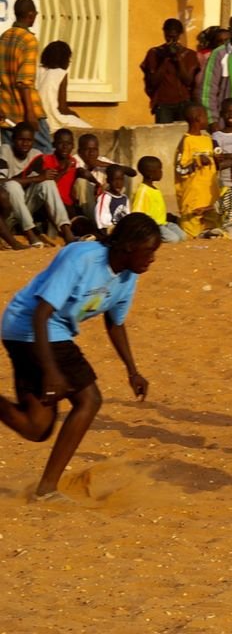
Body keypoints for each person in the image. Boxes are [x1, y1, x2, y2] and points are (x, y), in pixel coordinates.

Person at [0, 212, 159, 500]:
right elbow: (41, 314)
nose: (152, 259)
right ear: (127, 247)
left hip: (35, 331)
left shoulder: (127, 278)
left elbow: (115, 322)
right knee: (89, 399)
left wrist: (132, 371)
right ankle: (47, 489)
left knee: (36, 428)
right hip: (32, 327)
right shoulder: (83, 258)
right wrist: (51, 372)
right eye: (149, 251)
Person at [23, 127, 98, 242]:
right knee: (69, 213)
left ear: (73, 146)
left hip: (67, 205)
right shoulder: (43, 160)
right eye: (60, 143)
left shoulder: (74, 162)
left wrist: (96, 183)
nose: (64, 147)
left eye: (68, 144)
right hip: (43, 207)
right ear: (53, 144)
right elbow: (41, 188)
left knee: (79, 215)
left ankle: (98, 234)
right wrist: (63, 171)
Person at [0, 0, 51, 153]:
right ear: (31, 15)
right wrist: (30, 114)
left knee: (12, 156)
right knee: (46, 153)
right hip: (25, 110)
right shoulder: (29, 40)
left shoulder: (4, 37)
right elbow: (24, 82)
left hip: (6, 111)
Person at [140, 18, 200, 124]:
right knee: (164, 136)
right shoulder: (154, 53)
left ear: (180, 35)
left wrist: (179, 61)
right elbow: (153, 81)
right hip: (163, 104)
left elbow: (188, 81)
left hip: (183, 103)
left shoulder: (189, 55)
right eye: (168, 36)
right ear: (164, 33)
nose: (171, 40)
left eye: (174, 37)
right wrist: (165, 59)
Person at [174, 103, 219, 238]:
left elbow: (216, 167)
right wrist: (197, 161)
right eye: (206, 116)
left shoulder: (208, 140)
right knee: (191, 234)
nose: (208, 120)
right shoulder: (186, 141)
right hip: (193, 199)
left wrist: (218, 161)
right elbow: (179, 169)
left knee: (214, 232)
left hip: (210, 197)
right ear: (198, 118)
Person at [36, 40, 91, 133]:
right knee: (89, 130)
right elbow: (62, 108)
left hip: (38, 118)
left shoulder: (38, 71)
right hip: (54, 119)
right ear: (64, 59)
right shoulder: (60, 73)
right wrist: (74, 115)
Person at [131, 156, 186, 243]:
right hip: (153, 226)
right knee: (173, 239)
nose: (161, 172)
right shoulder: (143, 191)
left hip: (164, 223)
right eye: (159, 169)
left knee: (183, 236)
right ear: (150, 174)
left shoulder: (155, 190)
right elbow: (137, 214)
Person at [94, 165, 130, 235]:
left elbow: (128, 218)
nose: (118, 183)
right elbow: (102, 223)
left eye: (121, 179)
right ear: (108, 180)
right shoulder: (105, 198)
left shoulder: (125, 198)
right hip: (110, 234)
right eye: (115, 179)